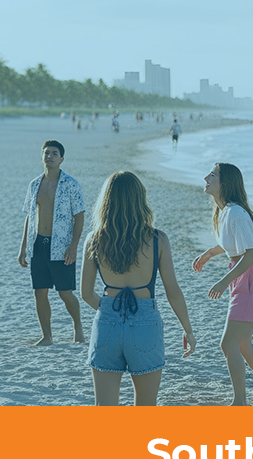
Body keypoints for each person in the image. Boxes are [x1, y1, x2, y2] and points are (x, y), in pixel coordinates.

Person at [81, 171, 196, 405]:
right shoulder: (157, 239)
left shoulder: (94, 239)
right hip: (145, 323)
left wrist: (110, 310)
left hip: (107, 322)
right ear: (140, 199)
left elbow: (85, 293)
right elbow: (173, 291)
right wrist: (188, 330)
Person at [193, 163, 253, 406]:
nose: (206, 177)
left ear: (225, 183)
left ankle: (240, 402)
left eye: (212, 175)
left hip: (251, 279)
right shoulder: (224, 212)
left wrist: (223, 282)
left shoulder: (236, 213)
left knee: (228, 343)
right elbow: (230, 244)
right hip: (243, 276)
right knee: (242, 343)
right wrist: (208, 254)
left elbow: (251, 253)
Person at [18, 140, 86, 345]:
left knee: (65, 293)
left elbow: (79, 216)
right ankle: (47, 336)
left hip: (62, 246)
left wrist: (73, 245)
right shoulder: (34, 184)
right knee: (39, 292)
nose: (50, 156)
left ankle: (78, 327)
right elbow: (29, 217)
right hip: (38, 244)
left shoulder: (71, 184)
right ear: (42, 156)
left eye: (54, 153)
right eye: (46, 153)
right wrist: (23, 247)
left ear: (61, 159)